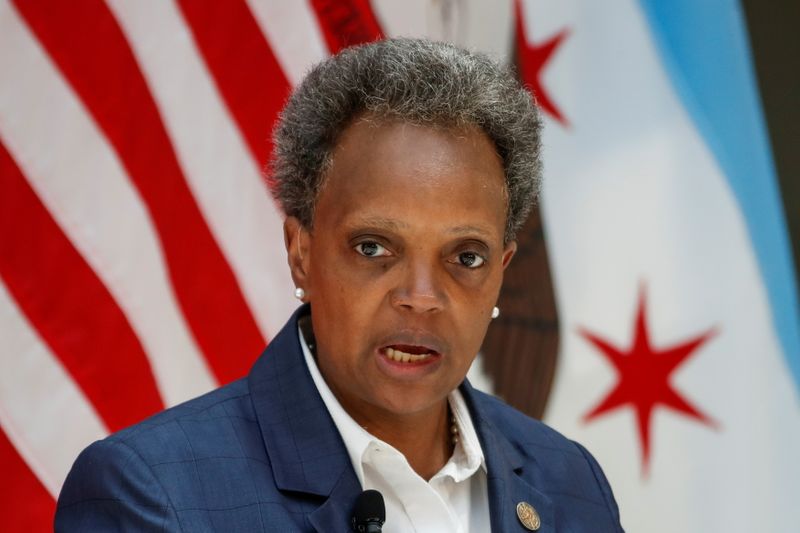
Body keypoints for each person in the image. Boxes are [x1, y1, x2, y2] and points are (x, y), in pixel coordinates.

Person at [55, 38, 623, 532]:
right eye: (374, 248)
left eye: (465, 256)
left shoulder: (570, 481)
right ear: (301, 254)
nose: (422, 295)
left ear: (502, 270)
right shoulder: (153, 493)